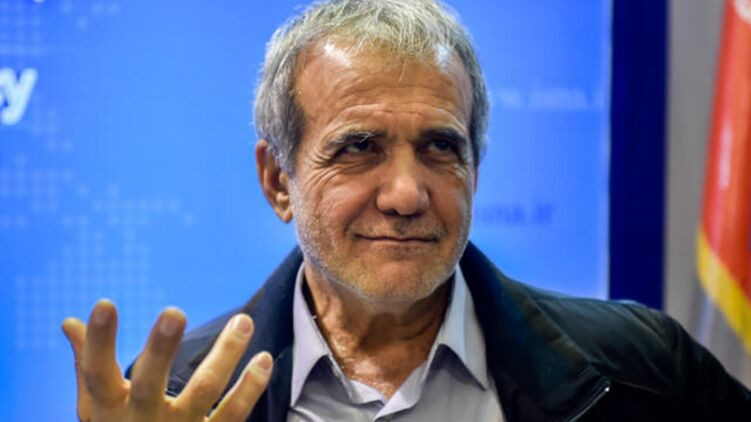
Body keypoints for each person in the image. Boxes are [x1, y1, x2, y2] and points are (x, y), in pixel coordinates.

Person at [62, 0, 751, 421]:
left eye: (440, 147)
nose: (405, 195)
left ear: (475, 167)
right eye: (359, 148)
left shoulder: (643, 371)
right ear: (278, 181)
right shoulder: (175, 400)